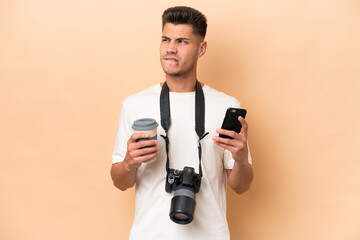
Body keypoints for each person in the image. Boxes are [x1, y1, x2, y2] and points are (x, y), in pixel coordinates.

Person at [111, 6, 253, 240]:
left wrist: (240, 158)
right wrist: (129, 163)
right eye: (165, 39)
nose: (170, 49)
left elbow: (241, 185)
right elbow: (120, 182)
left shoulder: (225, 106)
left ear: (201, 49)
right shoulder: (135, 105)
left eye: (182, 41)